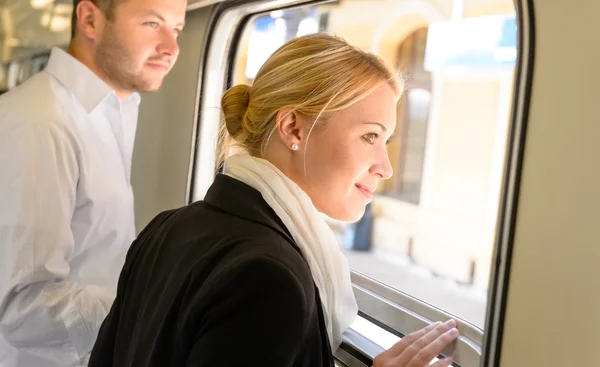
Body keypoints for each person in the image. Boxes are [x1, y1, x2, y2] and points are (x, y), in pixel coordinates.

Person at [89, 33, 459, 367]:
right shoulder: (268, 278)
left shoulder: (167, 226)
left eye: (386, 141)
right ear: (293, 128)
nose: (386, 167)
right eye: (369, 137)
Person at [0, 0, 193, 366]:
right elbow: (19, 307)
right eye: (152, 23)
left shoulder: (113, 111)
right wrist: (154, 312)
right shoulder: (39, 122)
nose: (171, 47)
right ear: (89, 20)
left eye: (177, 27)